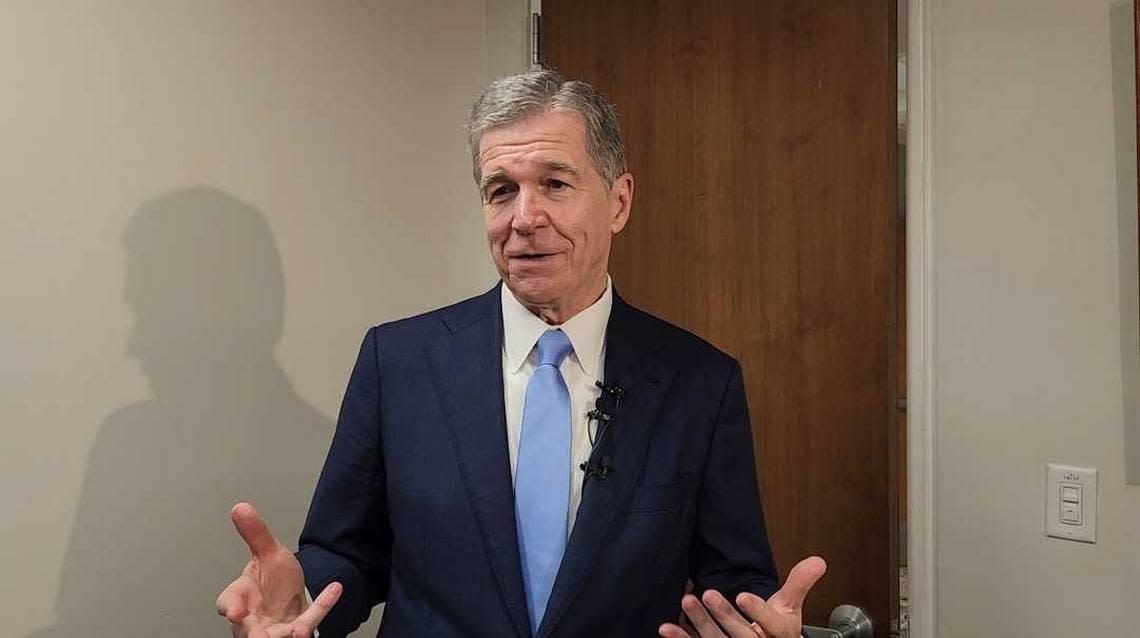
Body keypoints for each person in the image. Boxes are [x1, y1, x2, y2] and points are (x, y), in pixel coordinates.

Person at [216, 68, 826, 638]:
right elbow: (347, 550)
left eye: (555, 184)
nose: (524, 218)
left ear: (619, 202)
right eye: (501, 191)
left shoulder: (701, 381)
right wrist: (304, 599)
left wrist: (750, 621)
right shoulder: (399, 361)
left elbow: (734, 581)